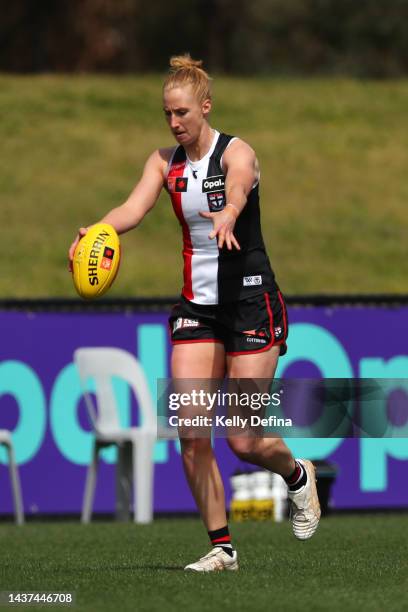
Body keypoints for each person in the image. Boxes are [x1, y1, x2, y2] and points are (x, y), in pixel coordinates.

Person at [68, 54, 321, 572]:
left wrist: (229, 212)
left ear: (205, 107)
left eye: (182, 112)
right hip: (197, 311)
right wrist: (97, 231)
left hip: (251, 302)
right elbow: (132, 210)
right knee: (189, 432)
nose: (174, 122)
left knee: (246, 440)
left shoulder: (237, 152)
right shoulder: (164, 163)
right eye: (167, 114)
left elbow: (240, 184)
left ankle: (297, 475)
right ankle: (222, 548)